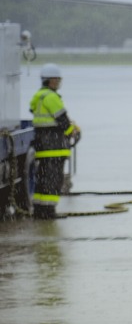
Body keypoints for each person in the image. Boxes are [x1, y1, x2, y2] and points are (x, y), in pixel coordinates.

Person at [28, 63, 80, 219]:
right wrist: (73, 131)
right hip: (54, 145)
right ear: (50, 80)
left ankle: (39, 210)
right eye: (56, 80)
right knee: (53, 180)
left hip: (42, 144)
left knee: (43, 179)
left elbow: (34, 111)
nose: (58, 83)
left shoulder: (38, 96)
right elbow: (62, 119)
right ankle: (49, 211)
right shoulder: (51, 97)